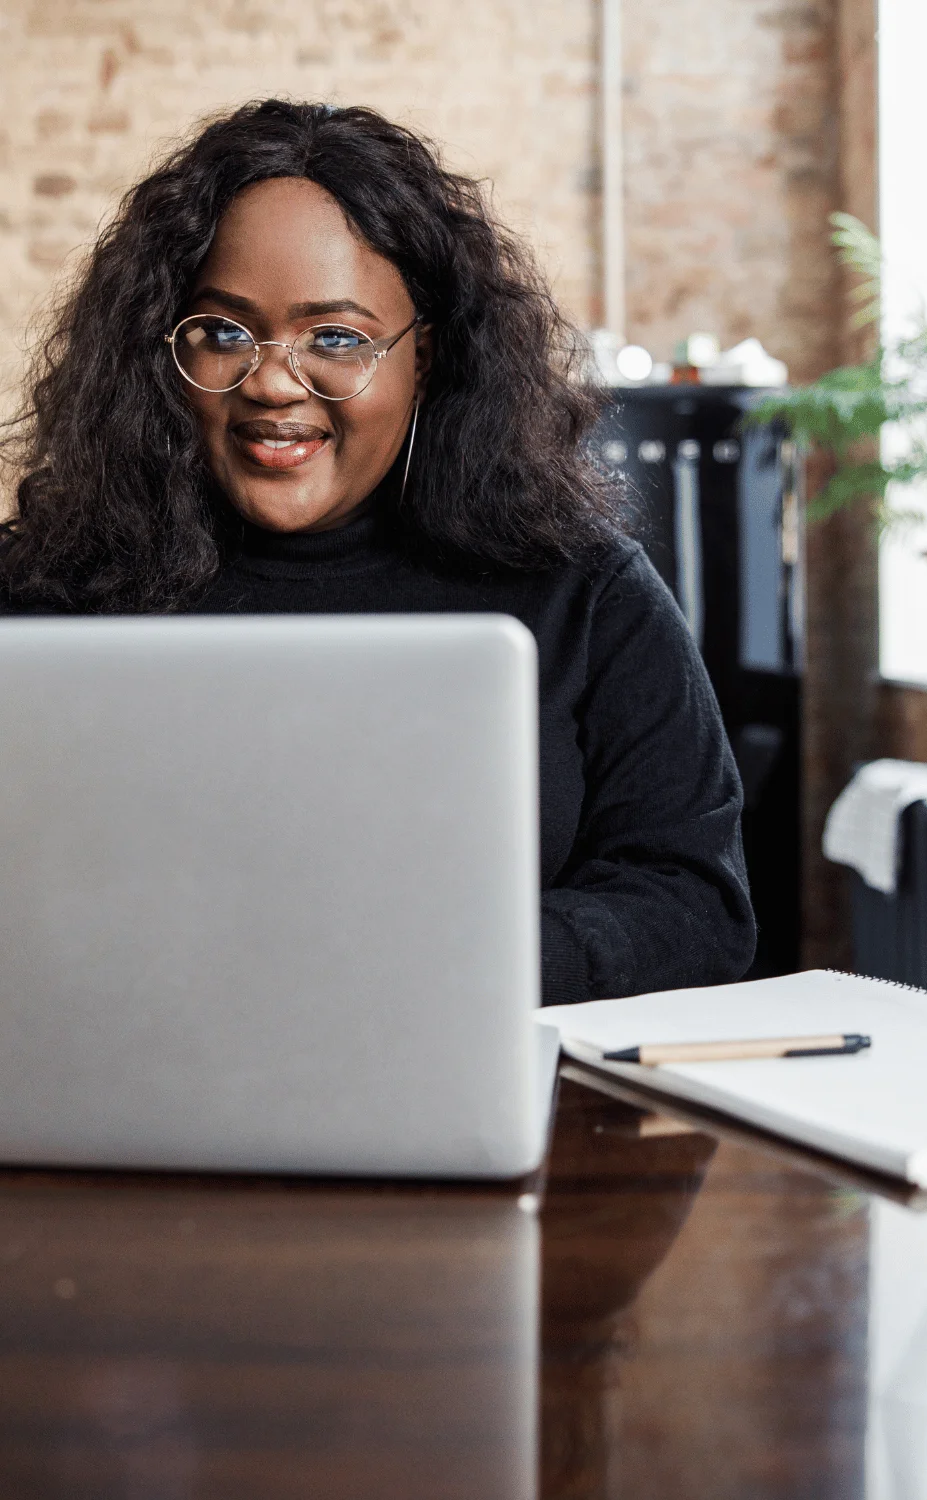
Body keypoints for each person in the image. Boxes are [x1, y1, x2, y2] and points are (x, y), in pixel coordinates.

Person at [0, 99, 755, 1004]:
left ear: (424, 359)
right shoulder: (44, 594)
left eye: (338, 339)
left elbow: (694, 903)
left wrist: (428, 964)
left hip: (478, 1088)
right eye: (224, 331)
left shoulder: (585, 594)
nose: (274, 381)